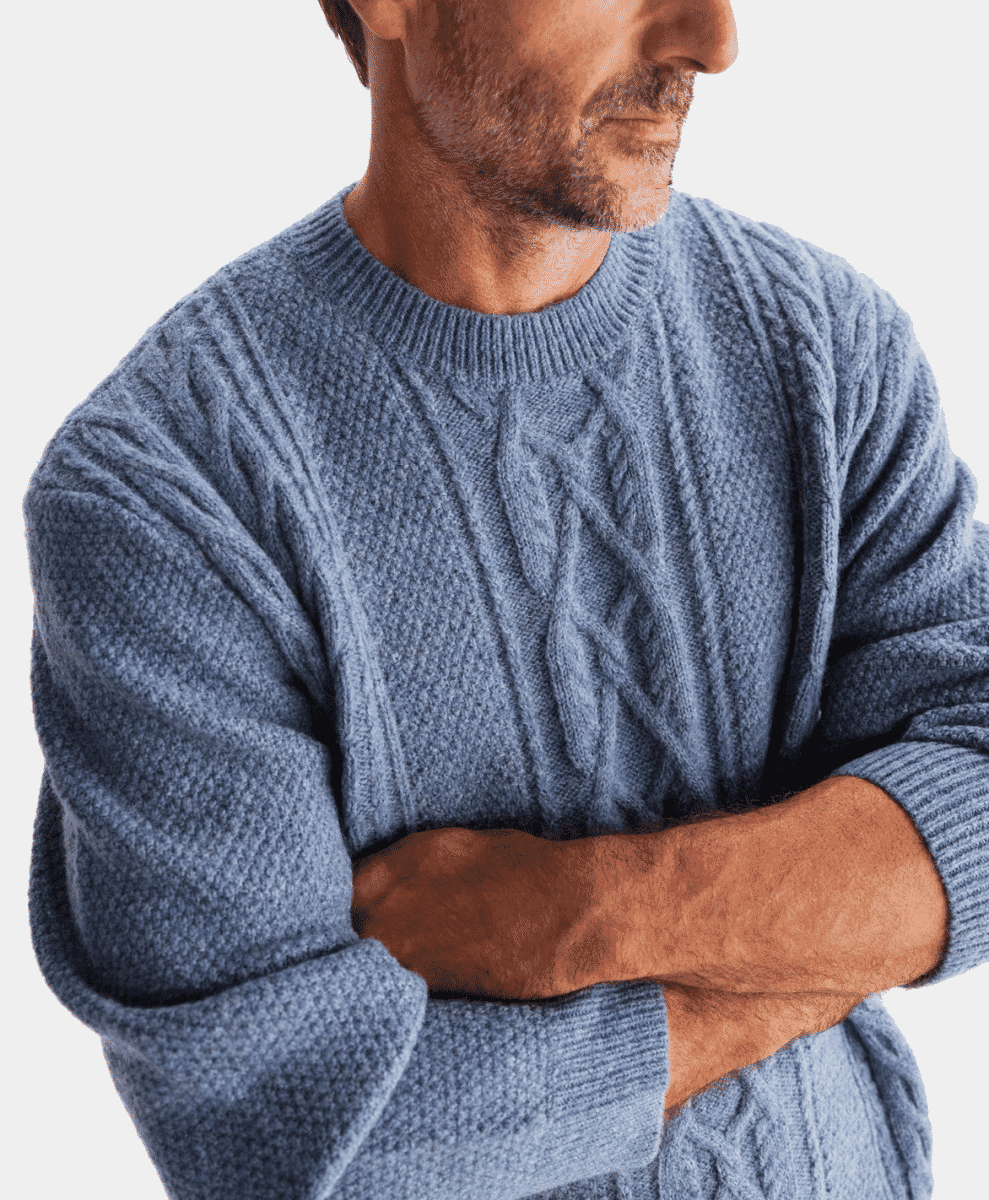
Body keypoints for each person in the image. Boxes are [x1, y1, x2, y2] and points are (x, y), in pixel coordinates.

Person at [22, 0, 988, 1196]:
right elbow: (294, 1131)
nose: (710, 37)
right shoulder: (170, 492)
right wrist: (836, 931)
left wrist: (572, 914)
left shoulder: (826, 352)